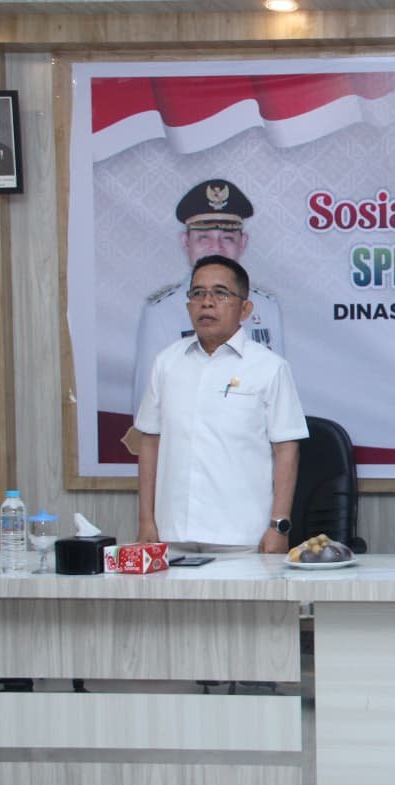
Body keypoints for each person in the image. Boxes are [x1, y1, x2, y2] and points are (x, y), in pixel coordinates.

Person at [135, 255, 307, 553]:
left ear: (245, 308)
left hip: (242, 536)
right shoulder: (166, 362)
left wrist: (278, 524)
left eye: (220, 293)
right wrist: (146, 520)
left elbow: (286, 449)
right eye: (198, 293)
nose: (207, 302)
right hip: (172, 533)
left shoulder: (269, 367)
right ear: (188, 305)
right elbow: (150, 442)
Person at [132, 178, 286, 412]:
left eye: (227, 238)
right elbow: (147, 407)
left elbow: (278, 398)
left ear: (243, 243)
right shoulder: (161, 311)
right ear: (186, 242)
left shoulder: (266, 307)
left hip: (251, 432)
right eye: (204, 238)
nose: (216, 247)